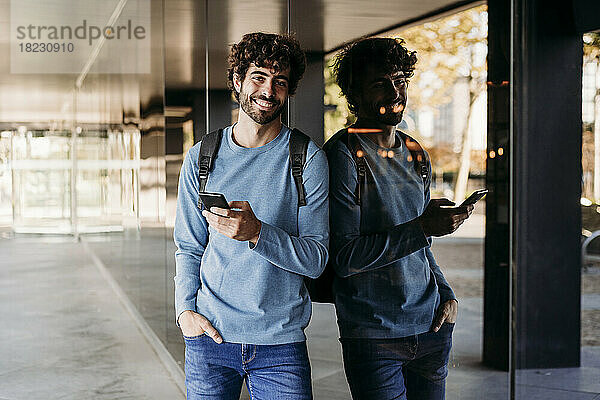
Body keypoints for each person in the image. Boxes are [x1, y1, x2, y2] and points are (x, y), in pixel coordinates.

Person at [173, 32, 329, 400]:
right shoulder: (202, 156)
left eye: (280, 82)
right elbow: (188, 246)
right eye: (258, 77)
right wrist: (184, 312)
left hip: (280, 345)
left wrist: (258, 233)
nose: (268, 90)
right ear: (237, 81)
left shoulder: (306, 159)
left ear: (289, 92)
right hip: (209, 337)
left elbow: (317, 260)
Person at [326, 37, 473, 400]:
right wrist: (423, 227)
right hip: (374, 336)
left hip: (432, 327)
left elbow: (420, 246)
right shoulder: (344, 155)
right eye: (379, 83)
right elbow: (344, 258)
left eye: (399, 80)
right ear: (354, 96)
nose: (394, 92)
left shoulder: (416, 152)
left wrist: (446, 294)